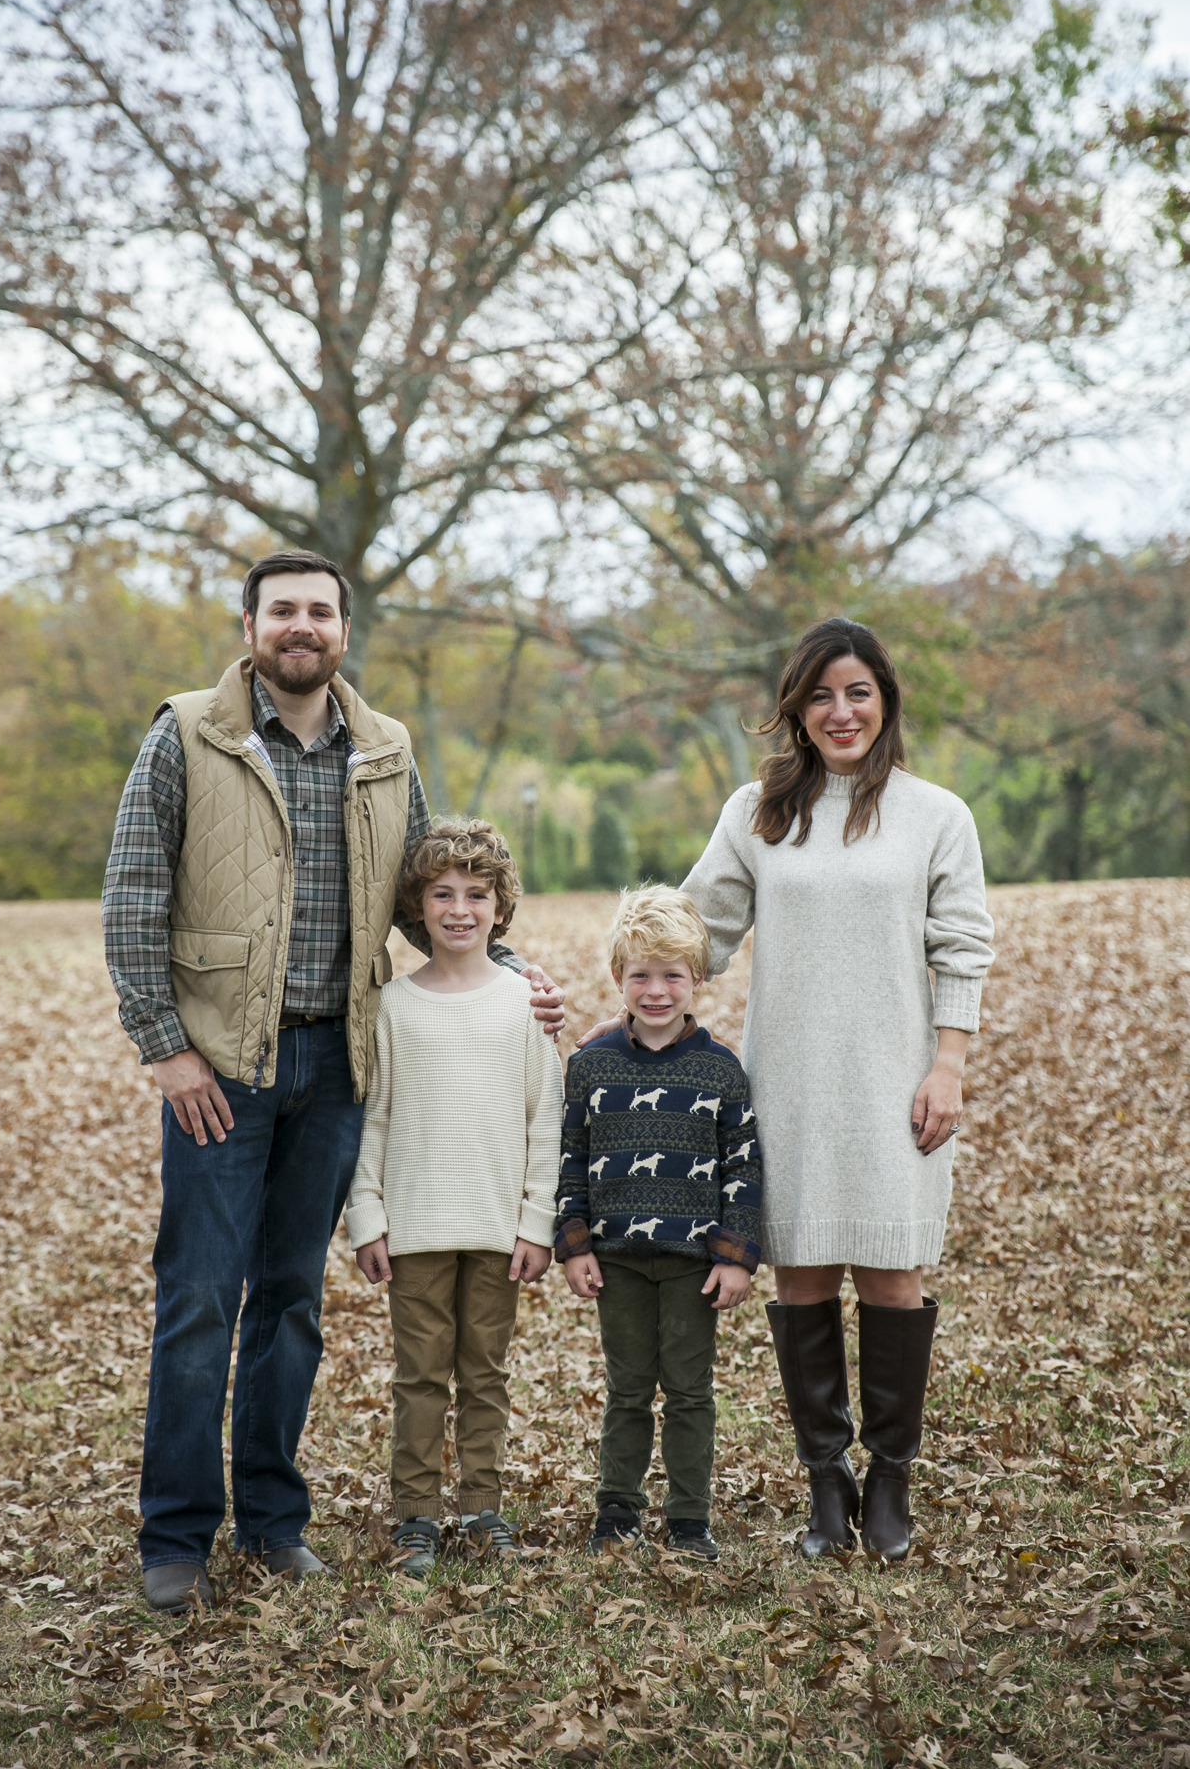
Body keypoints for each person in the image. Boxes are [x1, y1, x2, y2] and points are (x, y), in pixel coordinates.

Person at [102, 551, 565, 1612]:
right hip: (220, 1067)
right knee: (200, 1302)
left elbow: (430, 897)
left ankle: (272, 1523)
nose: (300, 625)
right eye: (282, 610)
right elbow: (131, 895)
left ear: (343, 628)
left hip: (337, 1065)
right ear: (253, 624)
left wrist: (509, 969)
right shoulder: (187, 732)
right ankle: (175, 1537)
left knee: (292, 1304)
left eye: (319, 610)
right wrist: (164, 1046)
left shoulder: (386, 748)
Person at [681, 618, 994, 1561]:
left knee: (894, 1277)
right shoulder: (757, 812)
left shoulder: (937, 814)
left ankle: (891, 1483)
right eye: (821, 694)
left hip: (898, 1083)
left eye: (858, 692)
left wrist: (950, 1066)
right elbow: (697, 932)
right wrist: (599, 976)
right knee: (804, 1274)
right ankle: (828, 1485)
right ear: (797, 710)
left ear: (886, 700)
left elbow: (962, 948)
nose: (841, 711)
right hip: (788, 1083)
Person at [347, 819, 563, 1575]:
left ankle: (482, 1507)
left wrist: (538, 1224)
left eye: (478, 894)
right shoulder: (392, 1007)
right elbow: (373, 1117)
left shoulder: (526, 1006)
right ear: (418, 905)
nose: (460, 909)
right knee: (419, 1375)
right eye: (442, 894)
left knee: (485, 1374)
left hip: (498, 1227)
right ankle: (416, 1516)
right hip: (414, 1225)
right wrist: (367, 1217)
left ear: (502, 908)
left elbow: (546, 1122)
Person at [556, 887, 761, 1562]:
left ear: (697, 979)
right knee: (628, 1386)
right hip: (616, 1256)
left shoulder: (719, 1070)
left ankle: (689, 1518)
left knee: (690, 1389)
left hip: (691, 1260)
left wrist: (735, 1255)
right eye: (640, 974)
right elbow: (572, 1157)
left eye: (672, 974)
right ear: (618, 978)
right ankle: (617, 1510)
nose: (655, 989)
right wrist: (574, 1243)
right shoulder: (591, 1067)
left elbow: (742, 1165)